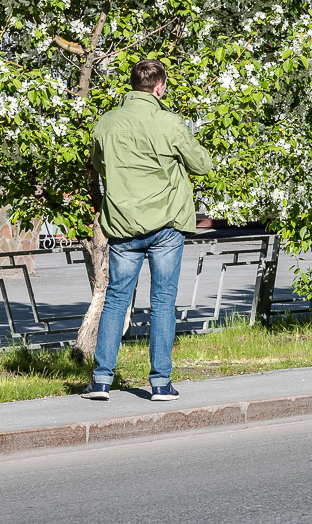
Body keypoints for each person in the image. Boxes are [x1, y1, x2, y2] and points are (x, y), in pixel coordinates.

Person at [83, 58, 215, 401]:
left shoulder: (106, 124)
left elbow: (98, 163)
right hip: (165, 226)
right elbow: (202, 165)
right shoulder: (169, 123)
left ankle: (100, 381)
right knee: (162, 301)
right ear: (160, 88)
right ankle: (160, 383)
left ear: (132, 85)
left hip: (124, 227)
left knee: (115, 301)